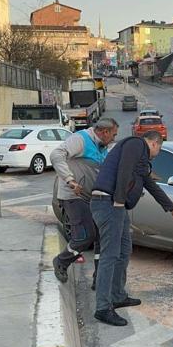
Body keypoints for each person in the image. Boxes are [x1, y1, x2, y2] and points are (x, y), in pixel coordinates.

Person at [90, 131, 173, 326]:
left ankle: (117, 295)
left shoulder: (141, 163)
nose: (156, 154)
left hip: (116, 206)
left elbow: (151, 185)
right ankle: (102, 308)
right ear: (154, 143)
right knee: (110, 255)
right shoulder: (136, 144)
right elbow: (123, 170)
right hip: (109, 203)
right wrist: (118, 200)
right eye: (158, 150)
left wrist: (172, 208)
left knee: (125, 250)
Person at [50, 118, 119, 284]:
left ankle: (99, 278)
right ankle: (61, 261)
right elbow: (56, 154)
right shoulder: (81, 139)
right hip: (74, 196)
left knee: (101, 237)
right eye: (113, 135)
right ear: (105, 132)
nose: (114, 139)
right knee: (85, 237)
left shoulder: (102, 146)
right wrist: (69, 179)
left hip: (93, 197)